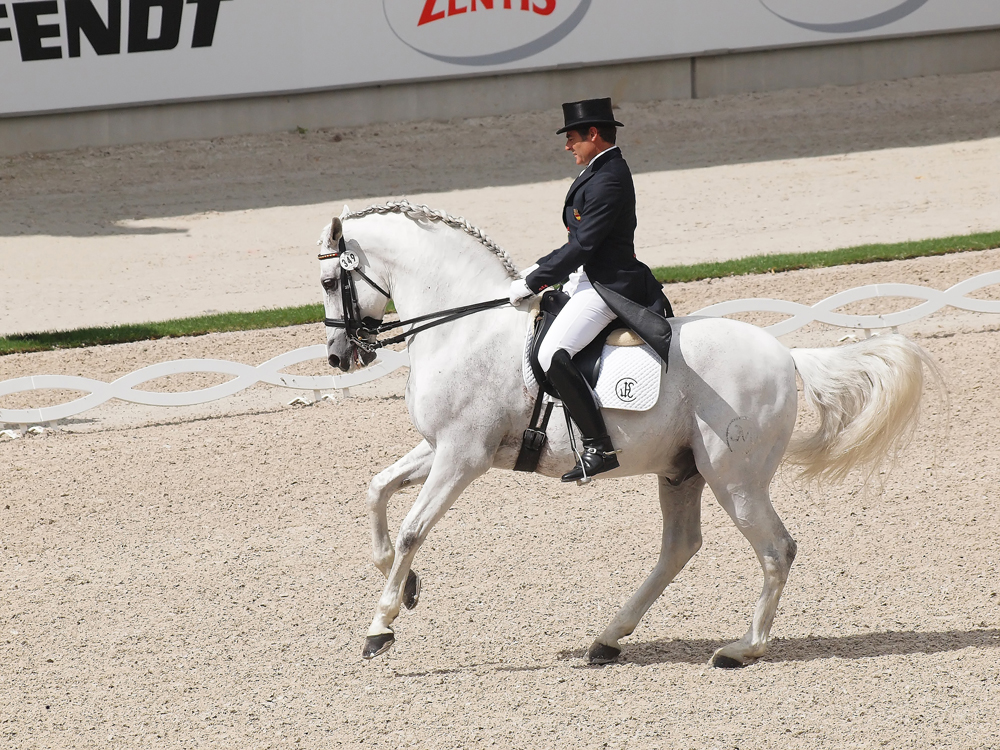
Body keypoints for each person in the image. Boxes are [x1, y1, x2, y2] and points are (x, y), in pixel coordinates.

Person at [509, 97, 670, 482]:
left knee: (552, 353)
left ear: (593, 135)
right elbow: (578, 241)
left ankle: (599, 445)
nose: (568, 146)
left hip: (607, 286)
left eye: (573, 138)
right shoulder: (599, 170)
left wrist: (535, 280)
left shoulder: (609, 177)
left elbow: (583, 245)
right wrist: (538, 267)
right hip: (586, 278)